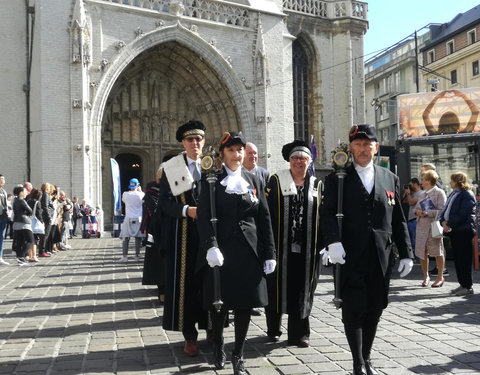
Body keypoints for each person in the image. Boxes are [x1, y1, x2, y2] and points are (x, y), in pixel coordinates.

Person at [320, 124, 413, 375]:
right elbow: (326, 213)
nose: (362, 149)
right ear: (351, 148)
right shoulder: (337, 178)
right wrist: (333, 242)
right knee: (353, 308)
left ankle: (367, 356)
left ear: (376, 147)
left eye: (367, 144)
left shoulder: (389, 178)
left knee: (374, 307)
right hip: (349, 254)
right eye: (358, 145)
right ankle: (357, 362)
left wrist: (406, 253)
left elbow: (398, 219)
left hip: (380, 256)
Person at [197, 131, 276, 375]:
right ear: (222, 154)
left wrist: (270, 252)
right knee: (219, 306)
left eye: (240, 150)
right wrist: (211, 245)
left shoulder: (254, 181)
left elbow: (264, 218)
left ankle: (238, 353)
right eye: (231, 150)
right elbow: (203, 217)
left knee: (245, 305)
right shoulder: (211, 181)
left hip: (249, 253)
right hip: (221, 253)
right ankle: (219, 343)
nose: (237, 154)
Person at [157, 120, 209, 357]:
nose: (195, 143)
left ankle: (213, 330)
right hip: (184, 235)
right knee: (186, 284)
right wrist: (186, 211)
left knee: (210, 283)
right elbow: (165, 203)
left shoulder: (212, 166)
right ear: (183, 143)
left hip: (210, 235)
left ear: (204, 142)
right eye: (190, 140)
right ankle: (190, 335)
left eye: (198, 139)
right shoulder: (172, 168)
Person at [264, 140, 322, 347]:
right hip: (280, 247)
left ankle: (299, 334)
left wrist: (323, 244)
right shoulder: (276, 181)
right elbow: (267, 213)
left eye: (303, 158)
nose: (299, 161)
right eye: (295, 158)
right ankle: (273, 328)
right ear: (289, 161)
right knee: (276, 287)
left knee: (303, 290)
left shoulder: (317, 185)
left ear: (310, 161)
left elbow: (323, 217)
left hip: (307, 250)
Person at [439, 172, 476, 296]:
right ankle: (462, 284)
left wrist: (449, 223)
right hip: (455, 231)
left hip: (463, 231)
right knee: (458, 260)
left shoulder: (467, 194)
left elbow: (463, 213)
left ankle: (468, 286)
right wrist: (442, 221)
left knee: (464, 260)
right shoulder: (454, 193)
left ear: (458, 181)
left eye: (452, 180)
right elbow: (446, 209)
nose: (450, 182)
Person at [414, 170, 446, 287]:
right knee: (423, 252)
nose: (421, 181)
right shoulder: (422, 194)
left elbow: (442, 211)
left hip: (434, 227)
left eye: (423, 179)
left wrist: (427, 212)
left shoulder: (439, 193)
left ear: (429, 180)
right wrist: (417, 212)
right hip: (422, 227)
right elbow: (415, 208)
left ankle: (440, 277)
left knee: (438, 252)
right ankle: (425, 276)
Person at [420, 163, 448, 277]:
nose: (421, 173)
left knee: (438, 247)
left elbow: (441, 207)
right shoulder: (425, 188)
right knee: (428, 249)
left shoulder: (437, 186)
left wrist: (427, 212)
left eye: (423, 171)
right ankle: (438, 269)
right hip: (427, 222)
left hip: (434, 222)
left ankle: (442, 270)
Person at [119, 178, 145, 262]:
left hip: (128, 217)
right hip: (139, 218)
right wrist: (140, 191)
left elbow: (123, 201)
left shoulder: (125, 194)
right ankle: (137, 256)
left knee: (126, 237)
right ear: (138, 185)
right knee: (138, 238)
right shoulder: (141, 194)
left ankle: (125, 256)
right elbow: (144, 201)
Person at [12, 185, 34, 266]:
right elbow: (30, 211)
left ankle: (19, 258)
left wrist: (25, 211)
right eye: (25, 191)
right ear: (20, 193)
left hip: (16, 223)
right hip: (24, 223)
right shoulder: (22, 201)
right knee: (31, 240)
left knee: (19, 242)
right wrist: (26, 212)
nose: (26, 193)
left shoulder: (15, 200)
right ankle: (22, 256)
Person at [402, 178, 421, 252]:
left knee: (415, 239)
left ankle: (417, 257)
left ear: (415, 184)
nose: (409, 187)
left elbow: (411, 202)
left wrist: (409, 194)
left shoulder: (421, 193)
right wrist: (406, 193)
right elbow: (404, 202)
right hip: (410, 220)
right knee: (411, 239)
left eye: (410, 185)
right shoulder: (412, 194)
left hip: (415, 220)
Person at [0, 174, 10, 265]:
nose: (3, 180)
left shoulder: (3, 191)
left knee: (1, 237)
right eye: (2, 179)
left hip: (3, 216)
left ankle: (0, 257)